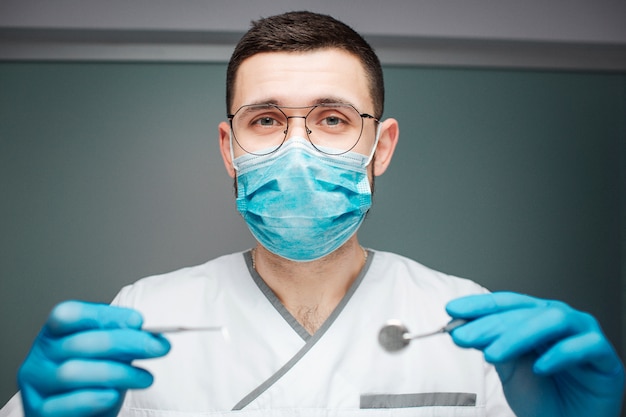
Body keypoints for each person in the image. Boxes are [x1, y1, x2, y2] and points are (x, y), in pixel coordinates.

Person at [1, 10, 624, 417]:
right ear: (229, 149)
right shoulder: (143, 315)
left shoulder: (472, 327)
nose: (296, 150)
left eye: (332, 119)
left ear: (380, 147)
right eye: (266, 120)